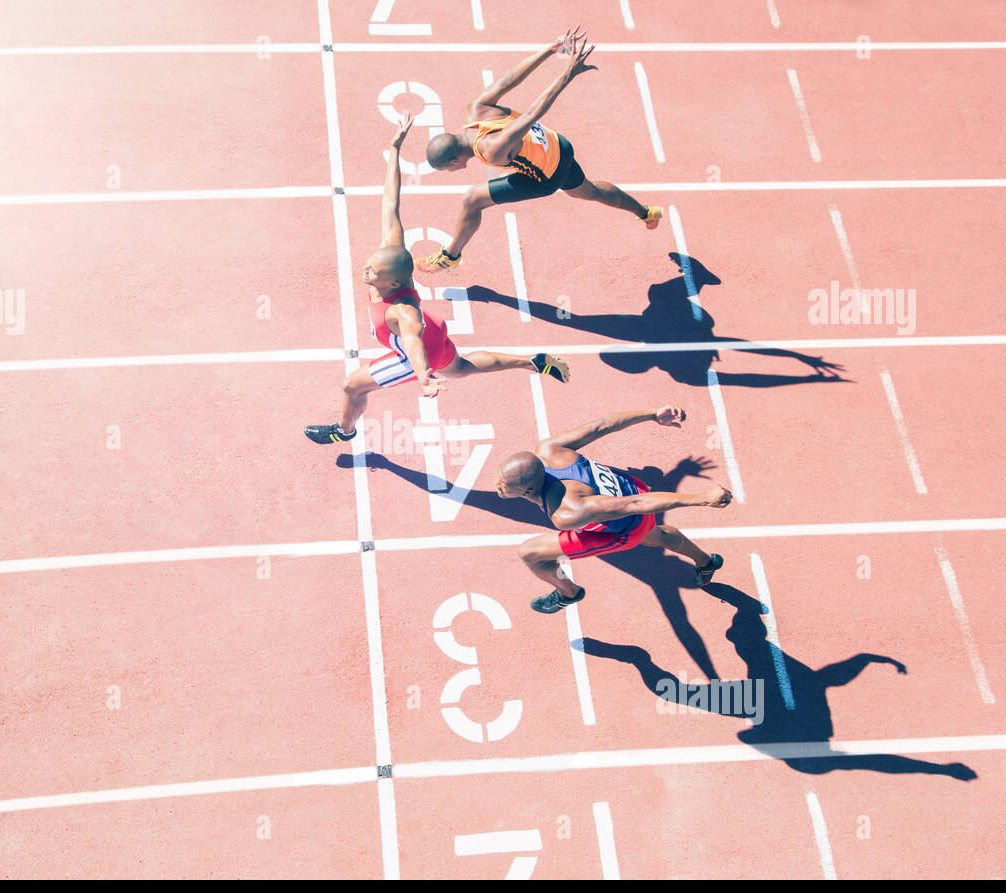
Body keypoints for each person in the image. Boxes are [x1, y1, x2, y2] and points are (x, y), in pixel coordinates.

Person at [305, 113, 571, 445]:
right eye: (369, 265)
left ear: (391, 283)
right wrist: (395, 150)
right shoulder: (394, 255)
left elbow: (413, 343)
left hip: (419, 350)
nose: (365, 272)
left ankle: (343, 432)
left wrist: (422, 377)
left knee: (352, 385)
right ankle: (532, 362)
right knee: (460, 367)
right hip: (434, 333)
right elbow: (391, 202)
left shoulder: (402, 311)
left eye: (373, 272)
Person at [416, 26, 662, 275]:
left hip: (546, 176)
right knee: (589, 191)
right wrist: (549, 49)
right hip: (560, 147)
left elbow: (534, 113)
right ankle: (646, 213)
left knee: (472, 200)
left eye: (447, 168)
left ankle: (450, 256)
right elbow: (510, 79)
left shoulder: (491, 150)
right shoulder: (475, 110)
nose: (450, 172)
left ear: (456, 159)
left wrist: (568, 74)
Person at [494, 405, 732, 612]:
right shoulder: (547, 449)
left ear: (527, 491)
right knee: (656, 534)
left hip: (627, 523)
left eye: (504, 485)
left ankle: (569, 592)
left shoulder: (567, 512)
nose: (498, 485)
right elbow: (601, 426)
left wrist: (702, 499)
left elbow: (634, 506)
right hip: (633, 490)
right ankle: (707, 562)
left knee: (530, 554)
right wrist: (652, 414)